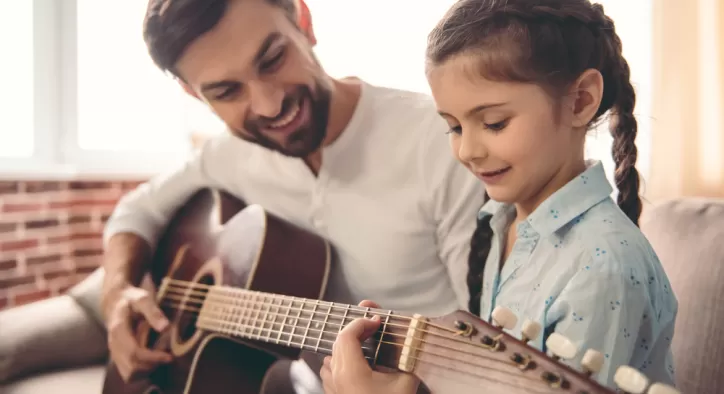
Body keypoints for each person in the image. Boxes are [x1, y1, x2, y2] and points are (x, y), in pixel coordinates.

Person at [100, 0, 485, 392]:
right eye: (227, 91)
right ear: (194, 94)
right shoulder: (228, 156)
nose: (269, 104)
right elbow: (137, 210)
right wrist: (117, 294)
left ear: (304, 22)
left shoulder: (445, 145)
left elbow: (486, 345)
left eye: (272, 58)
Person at [320, 0, 678, 392]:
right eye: (454, 127)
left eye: (494, 123)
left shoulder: (602, 267)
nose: (467, 151)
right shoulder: (501, 221)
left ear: (581, 100)